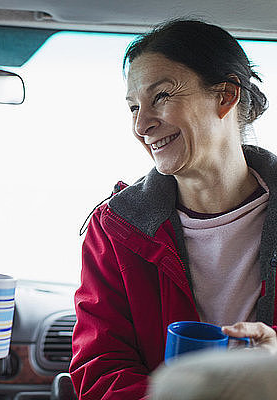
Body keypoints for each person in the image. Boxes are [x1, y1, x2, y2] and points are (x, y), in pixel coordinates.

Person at [69, 19, 277, 399]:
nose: (142, 125)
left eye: (161, 97)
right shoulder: (115, 230)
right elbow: (100, 371)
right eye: (134, 107)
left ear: (226, 96)